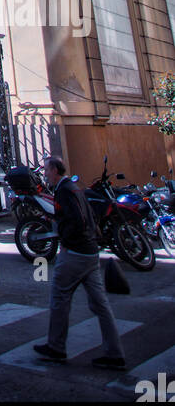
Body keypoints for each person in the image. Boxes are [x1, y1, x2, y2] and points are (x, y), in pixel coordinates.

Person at [33, 156, 126, 369]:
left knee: (59, 298)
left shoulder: (65, 190)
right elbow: (90, 216)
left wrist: (66, 241)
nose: (45, 173)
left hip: (75, 253)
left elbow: (79, 220)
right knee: (101, 305)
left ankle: (56, 348)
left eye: (46, 170)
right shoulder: (73, 187)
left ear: (55, 170)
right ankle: (115, 353)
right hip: (90, 253)